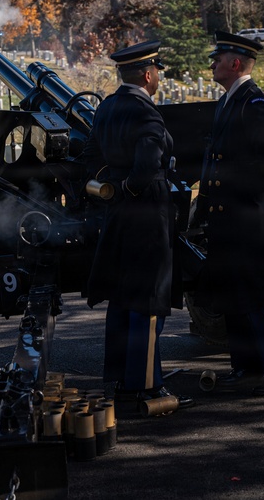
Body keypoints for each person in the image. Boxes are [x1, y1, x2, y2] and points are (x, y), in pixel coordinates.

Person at [82, 40, 194, 409]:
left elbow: (89, 158)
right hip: (147, 215)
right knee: (147, 300)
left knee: (122, 297)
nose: (158, 76)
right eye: (157, 71)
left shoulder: (108, 107)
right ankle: (145, 385)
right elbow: (148, 165)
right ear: (148, 75)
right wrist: (131, 187)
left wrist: (110, 189)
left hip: (117, 214)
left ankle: (117, 378)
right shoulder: (146, 112)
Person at [193, 30, 264, 396]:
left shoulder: (254, 104)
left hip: (251, 219)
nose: (213, 63)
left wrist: (227, 183)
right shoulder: (228, 102)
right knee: (235, 297)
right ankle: (249, 367)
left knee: (263, 296)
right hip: (229, 219)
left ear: (235, 63)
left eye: (218, 58)